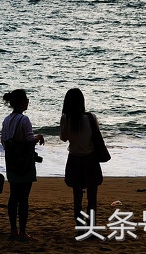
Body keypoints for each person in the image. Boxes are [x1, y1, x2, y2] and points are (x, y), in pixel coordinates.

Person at [1, 89, 44, 241]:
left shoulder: (6, 120)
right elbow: (30, 140)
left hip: (11, 162)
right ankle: (23, 232)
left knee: (13, 197)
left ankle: (13, 230)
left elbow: (3, 141)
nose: (28, 101)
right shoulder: (24, 120)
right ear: (20, 102)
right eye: (26, 99)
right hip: (25, 163)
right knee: (24, 199)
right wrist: (39, 136)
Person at [60, 88, 103, 227]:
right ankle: (91, 227)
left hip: (74, 160)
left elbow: (63, 138)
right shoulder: (91, 117)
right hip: (91, 159)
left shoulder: (66, 118)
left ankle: (80, 228)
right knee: (92, 198)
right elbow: (96, 137)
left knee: (77, 198)